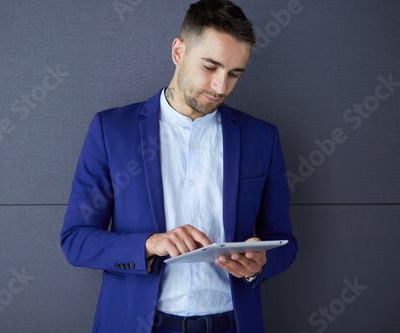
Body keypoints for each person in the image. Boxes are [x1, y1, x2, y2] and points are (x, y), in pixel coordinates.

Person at [61, 1, 297, 332]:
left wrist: (261, 263)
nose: (220, 87)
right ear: (178, 51)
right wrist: (150, 244)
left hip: (232, 325)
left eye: (233, 74)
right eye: (210, 66)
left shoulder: (262, 138)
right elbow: (76, 240)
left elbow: (284, 241)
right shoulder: (111, 130)